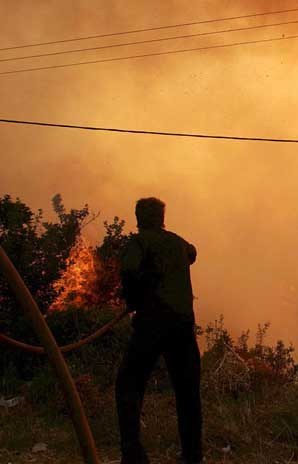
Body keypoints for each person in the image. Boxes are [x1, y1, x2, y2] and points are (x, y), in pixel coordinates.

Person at [116, 197, 202, 464]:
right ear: (162, 217)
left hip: (153, 322)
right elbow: (192, 253)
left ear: (139, 218)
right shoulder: (177, 242)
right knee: (187, 391)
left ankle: (133, 455)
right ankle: (192, 456)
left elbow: (128, 270)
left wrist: (135, 297)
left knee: (128, 383)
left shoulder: (139, 242)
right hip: (183, 325)